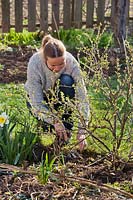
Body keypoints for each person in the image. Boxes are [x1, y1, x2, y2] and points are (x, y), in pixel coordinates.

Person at [24, 34, 90, 151]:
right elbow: (36, 101)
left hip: (62, 97)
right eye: (53, 65)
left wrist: (82, 130)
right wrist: (54, 121)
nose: (58, 68)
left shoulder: (72, 63)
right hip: (40, 100)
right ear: (45, 60)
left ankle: (67, 131)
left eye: (61, 63)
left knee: (66, 80)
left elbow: (82, 97)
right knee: (48, 126)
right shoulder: (35, 63)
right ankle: (47, 126)